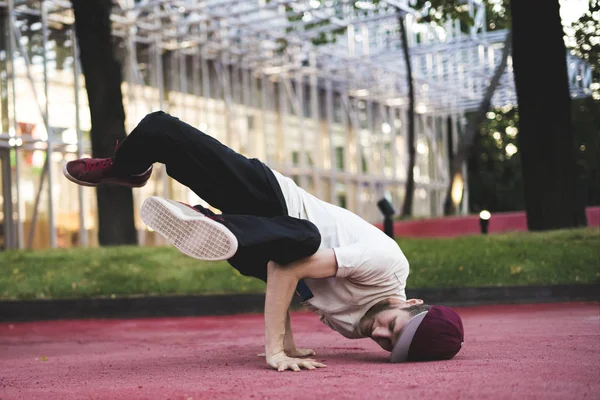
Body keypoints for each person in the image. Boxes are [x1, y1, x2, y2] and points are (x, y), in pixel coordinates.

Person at [64, 111, 464, 372]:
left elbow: (289, 281)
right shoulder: (387, 264)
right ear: (411, 303)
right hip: (272, 201)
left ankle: (220, 227)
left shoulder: (357, 327)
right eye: (392, 328)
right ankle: (130, 170)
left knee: (297, 251)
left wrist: (289, 343)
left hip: (261, 247)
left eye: (387, 346)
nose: (378, 336)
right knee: (157, 129)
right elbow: (292, 268)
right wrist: (274, 350)